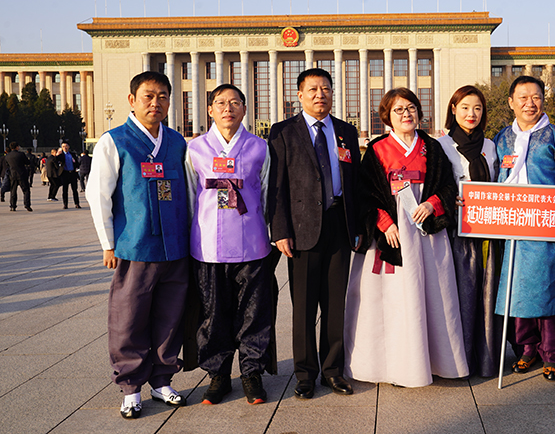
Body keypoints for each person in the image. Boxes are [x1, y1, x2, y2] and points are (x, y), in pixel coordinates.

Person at [344, 88, 469, 387]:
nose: (406, 114)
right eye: (398, 109)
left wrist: (432, 204)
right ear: (387, 116)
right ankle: (390, 365)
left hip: (426, 231)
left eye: (411, 108)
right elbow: (365, 194)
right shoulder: (377, 149)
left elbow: (448, 185)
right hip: (392, 234)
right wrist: (385, 224)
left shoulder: (431, 147)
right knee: (390, 298)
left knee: (433, 296)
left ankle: (437, 362)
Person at [86, 71, 190, 419]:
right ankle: (131, 387)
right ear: (132, 100)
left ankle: (162, 380)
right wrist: (108, 243)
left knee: (170, 317)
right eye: (148, 96)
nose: (155, 103)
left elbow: (189, 192)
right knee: (128, 318)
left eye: (163, 96)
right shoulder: (115, 141)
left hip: (175, 247)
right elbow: (98, 194)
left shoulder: (176, 142)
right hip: (135, 246)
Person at [267, 68, 362, 399]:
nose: (320, 95)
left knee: (335, 305)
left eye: (326, 89)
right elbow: (276, 186)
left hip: (339, 225)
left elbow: (354, 183)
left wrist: (356, 227)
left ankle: (333, 371)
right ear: (300, 95)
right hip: (301, 230)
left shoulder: (346, 132)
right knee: (304, 307)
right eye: (313, 89)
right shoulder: (283, 132)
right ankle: (305, 373)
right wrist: (280, 230)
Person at [184, 84, 277, 405]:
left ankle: (251, 372)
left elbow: (266, 193)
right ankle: (219, 374)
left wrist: (266, 229)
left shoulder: (259, 147)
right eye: (221, 103)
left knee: (254, 312)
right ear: (210, 110)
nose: (228, 108)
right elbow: (189, 197)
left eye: (235, 102)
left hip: (252, 244)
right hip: (208, 246)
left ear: (245, 109)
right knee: (213, 314)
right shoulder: (195, 149)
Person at [493, 76, 555, 381]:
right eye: (523, 97)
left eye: (536, 97)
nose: (530, 103)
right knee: (518, 292)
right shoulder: (502, 138)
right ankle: (527, 348)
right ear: (511, 102)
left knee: (548, 291)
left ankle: (552, 353)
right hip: (511, 228)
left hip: (547, 228)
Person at [435, 85, 501, 377]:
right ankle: (457, 360)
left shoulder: (491, 145)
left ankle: (485, 358)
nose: (471, 114)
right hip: (457, 232)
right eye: (464, 107)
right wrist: (450, 198)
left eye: (477, 108)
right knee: (460, 293)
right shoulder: (441, 145)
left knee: (487, 293)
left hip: (488, 230)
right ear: (453, 109)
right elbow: (436, 185)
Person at [3, 142, 32, 212]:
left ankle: (13, 206)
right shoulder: (21, 154)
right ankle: (27, 204)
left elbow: (7, 165)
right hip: (22, 174)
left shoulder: (7, 156)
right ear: (16, 147)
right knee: (26, 190)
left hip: (13, 175)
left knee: (13, 191)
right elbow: (27, 162)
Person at [57, 142, 81, 209]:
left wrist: (77, 168)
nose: (65, 148)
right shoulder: (61, 155)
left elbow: (77, 162)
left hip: (72, 173)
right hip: (65, 173)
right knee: (65, 190)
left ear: (69, 146)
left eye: (66, 146)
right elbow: (55, 160)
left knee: (75, 190)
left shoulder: (72, 154)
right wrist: (57, 154)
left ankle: (77, 203)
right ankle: (65, 204)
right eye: (63, 146)